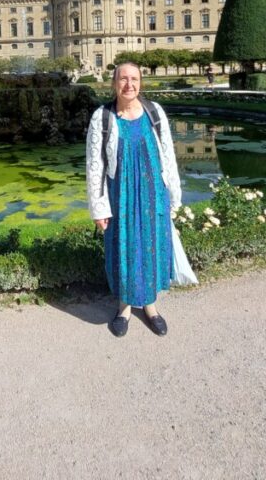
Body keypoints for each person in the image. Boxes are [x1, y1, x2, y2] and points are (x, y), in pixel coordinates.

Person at [86, 62, 182, 338]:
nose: (129, 85)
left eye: (134, 79)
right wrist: (98, 207)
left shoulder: (154, 112)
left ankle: (150, 307)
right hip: (121, 195)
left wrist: (173, 195)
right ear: (113, 83)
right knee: (124, 247)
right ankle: (124, 308)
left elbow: (168, 155)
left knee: (151, 244)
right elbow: (95, 167)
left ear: (141, 82)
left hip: (154, 193)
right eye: (123, 79)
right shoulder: (102, 117)